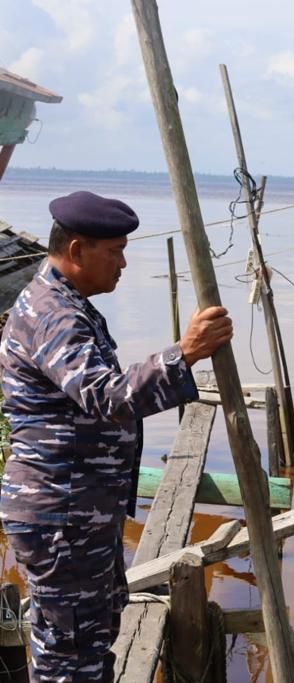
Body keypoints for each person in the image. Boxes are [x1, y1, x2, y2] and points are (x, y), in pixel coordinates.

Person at [0, 191, 234, 680]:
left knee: (91, 641)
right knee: (70, 658)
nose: (124, 263)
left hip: (79, 510)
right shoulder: (54, 314)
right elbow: (107, 397)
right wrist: (183, 354)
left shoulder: (67, 304)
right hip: (62, 514)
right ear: (78, 249)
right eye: (114, 251)